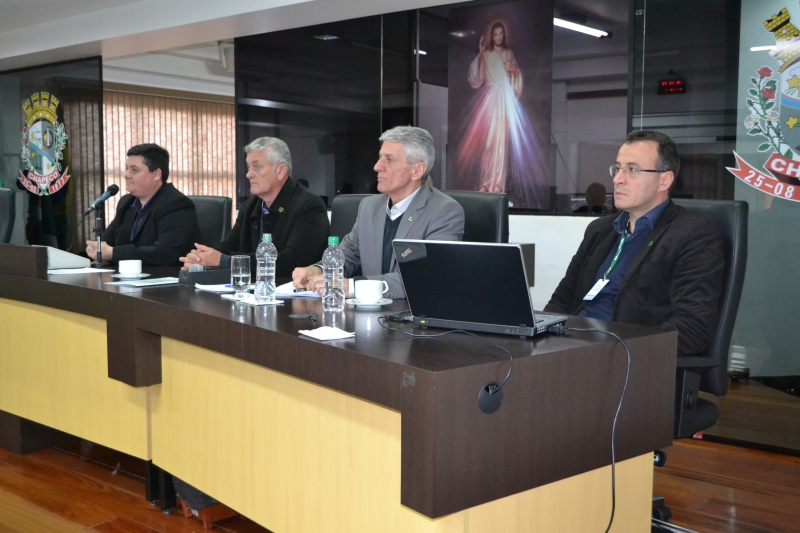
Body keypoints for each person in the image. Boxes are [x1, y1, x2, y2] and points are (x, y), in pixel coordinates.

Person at [544, 131, 724, 357]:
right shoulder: (599, 230)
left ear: (664, 180)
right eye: (617, 168)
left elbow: (691, 330)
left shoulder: (694, 238)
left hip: (625, 358)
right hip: (571, 348)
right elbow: (561, 300)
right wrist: (541, 336)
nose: (618, 179)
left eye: (633, 170)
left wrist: (616, 350)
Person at [292, 126, 465, 299]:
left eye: (389, 159)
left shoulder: (444, 211)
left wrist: (354, 287)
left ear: (417, 170)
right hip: (368, 316)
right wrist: (317, 270)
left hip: (412, 317)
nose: (377, 166)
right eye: (380, 157)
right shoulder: (369, 206)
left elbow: (427, 276)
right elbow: (347, 254)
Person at [180, 137, 329, 277]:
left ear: (280, 171)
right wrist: (202, 259)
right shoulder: (251, 206)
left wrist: (223, 261)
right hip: (250, 292)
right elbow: (227, 248)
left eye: (257, 167)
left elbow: (292, 263)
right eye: (248, 167)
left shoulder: (309, 205)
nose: (248, 174)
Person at [450, 20, 549, 209]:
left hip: (504, 101)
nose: (498, 37)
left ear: (503, 35)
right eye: (495, 34)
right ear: (491, 36)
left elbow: (516, 82)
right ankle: (485, 183)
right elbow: (475, 80)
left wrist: (515, 70)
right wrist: (480, 54)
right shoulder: (486, 55)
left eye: (500, 34)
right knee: (488, 143)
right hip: (490, 100)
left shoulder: (508, 54)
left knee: (500, 145)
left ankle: (497, 185)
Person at [86, 143, 200, 266]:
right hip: (128, 277)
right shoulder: (126, 202)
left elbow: (165, 253)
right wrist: (98, 247)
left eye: (134, 170)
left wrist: (113, 253)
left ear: (156, 174)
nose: (126, 175)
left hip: (165, 279)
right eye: (126, 168)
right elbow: (108, 239)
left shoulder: (177, 205)